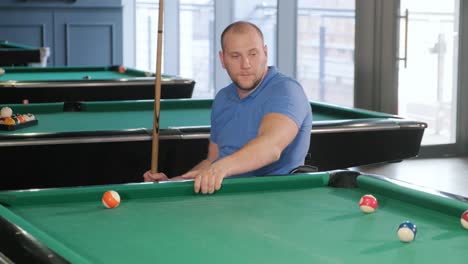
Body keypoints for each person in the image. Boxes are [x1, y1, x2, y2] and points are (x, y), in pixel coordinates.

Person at [143, 21, 312, 194]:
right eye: (235, 56)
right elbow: (213, 161)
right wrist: (173, 182)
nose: (246, 64)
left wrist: (221, 168)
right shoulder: (223, 98)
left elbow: (270, 147)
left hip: (275, 201)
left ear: (265, 53)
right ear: (223, 60)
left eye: (253, 54)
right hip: (225, 199)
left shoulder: (286, 90)